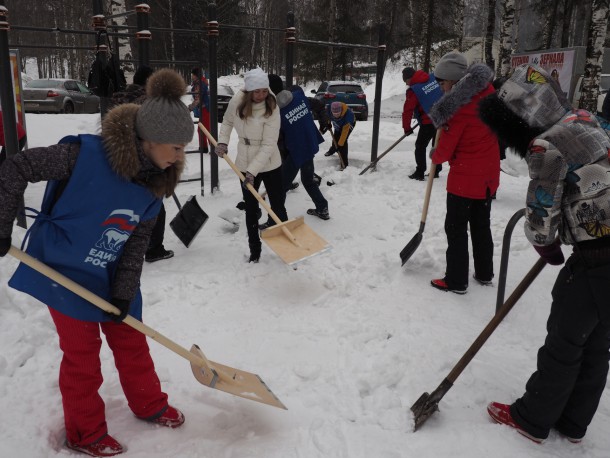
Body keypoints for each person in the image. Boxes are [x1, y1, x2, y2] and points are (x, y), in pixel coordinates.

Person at [0, 69, 193, 457]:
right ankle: (85, 432)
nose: (179, 157)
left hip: (111, 272)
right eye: (175, 147)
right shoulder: (82, 155)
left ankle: (149, 403)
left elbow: (136, 245)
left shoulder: (154, 187)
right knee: (82, 357)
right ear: (149, 138)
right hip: (64, 272)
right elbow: (18, 166)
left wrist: (123, 295)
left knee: (132, 340)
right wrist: (2, 222)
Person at [479, 63, 610, 444]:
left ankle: (532, 418)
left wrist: (546, 243)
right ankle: (573, 422)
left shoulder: (547, 143)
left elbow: (541, 210)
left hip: (596, 256)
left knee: (565, 340)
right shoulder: (588, 118)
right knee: (597, 342)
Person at [427, 52, 500, 294]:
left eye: (443, 82)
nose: (441, 86)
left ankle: (457, 280)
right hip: (488, 177)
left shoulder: (457, 109)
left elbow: (444, 153)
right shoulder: (488, 93)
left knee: (456, 229)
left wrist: (434, 154)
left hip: (464, 182)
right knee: (481, 226)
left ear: (454, 81)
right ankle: (484, 273)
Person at [214, 67, 288, 263]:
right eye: (257, 92)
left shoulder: (272, 107)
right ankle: (255, 252)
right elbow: (228, 121)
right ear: (248, 91)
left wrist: (252, 172)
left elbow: (269, 144)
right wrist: (222, 141)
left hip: (270, 162)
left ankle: (288, 248)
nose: (262, 95)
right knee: (251, 209)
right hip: (244, 161)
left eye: (264, 91)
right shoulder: (237, 101)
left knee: (277, 207)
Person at [110, 65, 174, 263]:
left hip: (121, 160)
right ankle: (154, 249)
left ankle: (122, 245)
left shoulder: (118, 99)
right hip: (145, 162)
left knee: (128, 205)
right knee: (155, 205)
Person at [268, 74, 330, 220]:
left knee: (280, 187)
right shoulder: (299, 96)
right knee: (308, 180)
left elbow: (281, 141)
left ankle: (275, 220)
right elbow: (319, 105)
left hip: (297, 150)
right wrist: (324, 119)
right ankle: (322, 208)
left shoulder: (276, 112)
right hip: (309, 143)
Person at [402, 66, 443, 180]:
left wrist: (407, 128)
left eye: (406, 81)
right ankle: (436, 170)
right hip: (442, 119)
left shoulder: (414, 90)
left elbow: (407, 111)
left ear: (409, 78)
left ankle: (420, 172)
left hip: (428, 122)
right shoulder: (432, 79)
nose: (407, 84)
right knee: (436, 145)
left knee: (420, 146)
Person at [323, 101, 355, 168]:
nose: (336, 115)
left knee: (343, 143)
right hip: (338, 123)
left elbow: (344, 134)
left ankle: (344, 164)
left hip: (348, 125)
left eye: (338, 114)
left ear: (341, 111)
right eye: (334, 114)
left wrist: (340, 145)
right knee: (335, 137)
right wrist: (328, 123)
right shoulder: (329, 108)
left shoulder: (348, 116)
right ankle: (333, 150)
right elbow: (327, 116)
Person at [188, 67, 211, 153]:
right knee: (202, 129)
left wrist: (189, 108)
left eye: (192, 75)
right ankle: (204, 147)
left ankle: (213, 147)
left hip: (205, 108)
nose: (191, 76)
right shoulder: (200, 82)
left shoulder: (200, 84)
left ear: (196, 75)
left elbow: (198, 99)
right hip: (204, 108)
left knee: (207, 129)